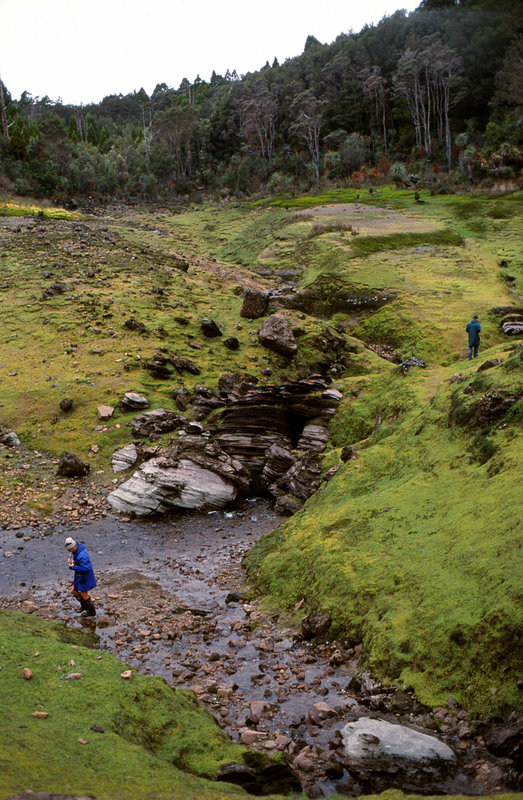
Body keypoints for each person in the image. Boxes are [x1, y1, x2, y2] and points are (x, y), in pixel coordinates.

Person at [65, 537, 96, 616]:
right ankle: (84, 605)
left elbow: (86, 568)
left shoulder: (82, 555)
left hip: (85, 577)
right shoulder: (77, 550)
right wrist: (73, 562)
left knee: (83, 593)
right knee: (73, 590)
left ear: (73, 547)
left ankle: (91, 612)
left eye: (69, 550)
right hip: (79, 575)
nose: (68, 551)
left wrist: (73, 566)